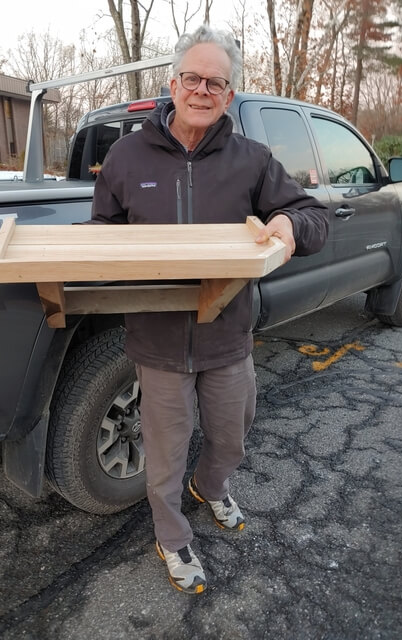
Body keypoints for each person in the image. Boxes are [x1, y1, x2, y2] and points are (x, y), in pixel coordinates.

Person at [91, 24, 329, 594]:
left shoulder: (252, 160)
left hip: (227, 335)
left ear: (229, 94)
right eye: (192, 78)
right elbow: (101, 234)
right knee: (165, 455)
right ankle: (173, 539)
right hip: (157, 342)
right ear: (173, 84)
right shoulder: (125, 156)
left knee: (231, 436)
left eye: (215, 82)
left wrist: (289, 224)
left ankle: (212, 485)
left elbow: (313, 216)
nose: (202, 90)